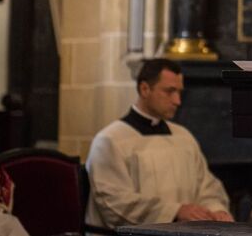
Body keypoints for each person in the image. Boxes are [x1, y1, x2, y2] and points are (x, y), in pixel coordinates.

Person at [85, 59, 232, 227]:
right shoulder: (110, 140)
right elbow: (114, 201)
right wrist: (174, 212)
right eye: (170, 91)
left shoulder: (183, 136)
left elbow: (207, 186)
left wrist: (215, 210)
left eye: (179, 92)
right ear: (145, 89)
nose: (177, 101)